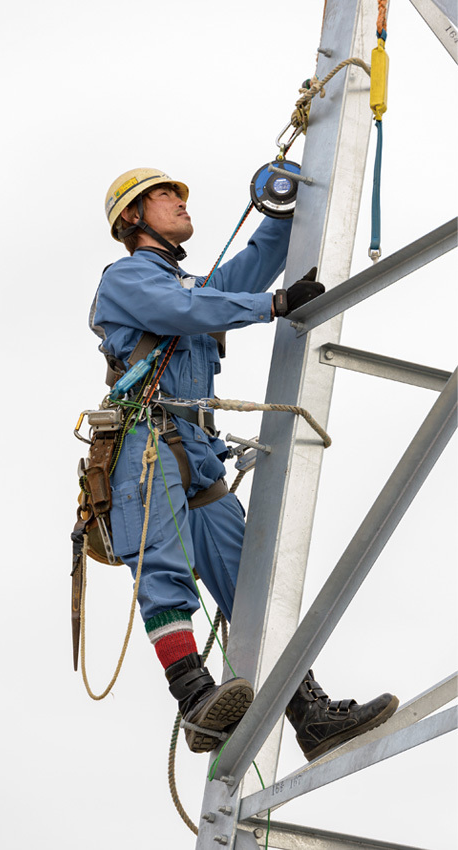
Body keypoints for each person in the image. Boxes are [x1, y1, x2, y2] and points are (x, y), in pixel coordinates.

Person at [88, 167, 398, 759]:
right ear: (132, 217)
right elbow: (184, 312)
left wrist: (285, 212)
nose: (180, 202)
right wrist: (273, 304)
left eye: (179, 194)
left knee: (255, 585)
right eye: (164, 196)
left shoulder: (191, 287)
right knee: (164, 568)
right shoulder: (126, 279)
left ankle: (310, 714)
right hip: (145, 444)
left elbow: (248, 269)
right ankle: (195, 700)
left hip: (198, 456)